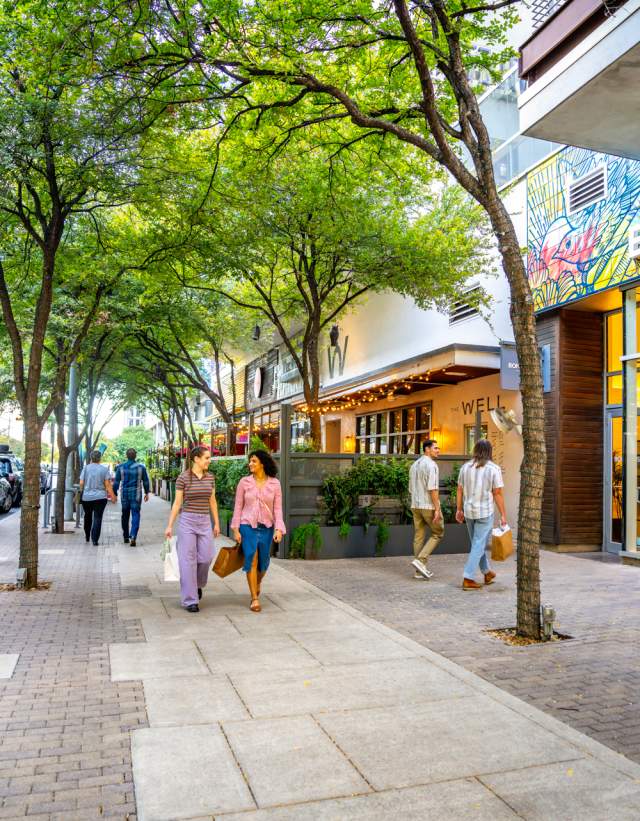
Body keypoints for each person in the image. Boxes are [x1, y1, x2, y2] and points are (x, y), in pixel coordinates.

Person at [164, 445, 221, 613]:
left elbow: (213, 501)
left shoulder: (210, 477)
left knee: (206, 557)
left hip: (204, 521)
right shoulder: (183, 478)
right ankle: (190, 600)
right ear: (196, 459)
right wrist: (169, 525)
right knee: (187, 560)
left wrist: (216, 523)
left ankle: (197, 584)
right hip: (187, 520)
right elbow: (177, 503)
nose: (209, 461)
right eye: (207, 458)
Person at [231, 450, 285, 613]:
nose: (250, 464)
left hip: (267, 527)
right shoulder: (244, 482)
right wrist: (235, 528)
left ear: (262, 463)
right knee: (251, 558)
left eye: (254, 461)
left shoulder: (275, 483)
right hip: (247, 526)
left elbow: (278, 508)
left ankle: (257, 582)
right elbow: (238, 506)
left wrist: (279, 528)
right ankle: (254, 598)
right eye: (250, 461)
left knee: (263, 563)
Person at [456, 439, 507, 590]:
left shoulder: (465, 467)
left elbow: (459, 489)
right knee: (478, 544)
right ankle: (468, 577)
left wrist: (459, 510)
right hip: (484, 512)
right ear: (489, 451)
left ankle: (486, 572)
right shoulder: (493, 468)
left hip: (469, 511)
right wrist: (503, 515)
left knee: (477, 544)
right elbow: (497, 493)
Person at [409, 438, 444, 580]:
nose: (438, 450)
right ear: (427, 449)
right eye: (435, 448)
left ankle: (418, 571)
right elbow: (433, 489)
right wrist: (437, 508)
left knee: (419, 536)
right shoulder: (432, 465)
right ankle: (420, 560)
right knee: (438, 532)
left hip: (415, 505)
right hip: (428, 506)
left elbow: (411, 488)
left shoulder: (414, 465)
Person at [113, 448, 150, 546]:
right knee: (135, 514)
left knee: (125, 515)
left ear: (126, 455)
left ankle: (125, 536)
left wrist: (114, 494)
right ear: (135, 456)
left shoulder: (120, 467)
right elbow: (146, 481)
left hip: (124, 495)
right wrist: (147, 492)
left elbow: (116, 482)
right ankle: (133, 536)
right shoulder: (141, 468)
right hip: (136, 495)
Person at [79, 450, 116, 546]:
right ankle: (95, 539)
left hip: (86, 498)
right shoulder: (104, 469)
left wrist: (84, 489)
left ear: (91, 458)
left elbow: (81, 483)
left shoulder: (86, 468)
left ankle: (87, 535)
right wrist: (113, 496)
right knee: (98, 518)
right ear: (100, 458)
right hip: (100, 498)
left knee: (87, 516)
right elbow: (108, 485)